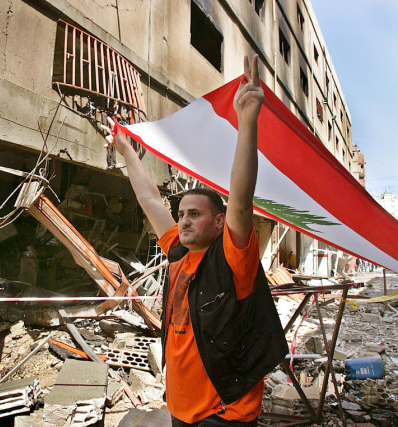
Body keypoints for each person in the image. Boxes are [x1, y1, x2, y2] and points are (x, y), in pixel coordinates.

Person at [103, 55, 288, 426]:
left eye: (194, 214)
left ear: (219, 222)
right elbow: (152, 200)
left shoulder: (233, 259)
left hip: (224, 412)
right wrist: (126, 150)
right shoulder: (177, 254)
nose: (183, 220)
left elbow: (241, 195)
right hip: (181, 409)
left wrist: (246, 122)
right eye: (182, 213)